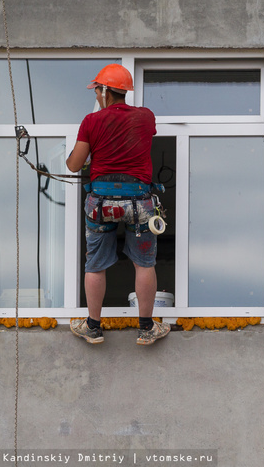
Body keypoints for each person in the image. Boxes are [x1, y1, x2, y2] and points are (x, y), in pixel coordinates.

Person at [66, 63, 170, 345]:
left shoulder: (92, 121)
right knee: (144, 263)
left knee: (95, 265)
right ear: (124, 91)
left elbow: (74, 165)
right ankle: (147, 328)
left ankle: (93, 327)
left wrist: (89, 151)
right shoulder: (146, 117)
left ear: (103, 91)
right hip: (139, 202)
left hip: (101, 203)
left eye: (98, 89)